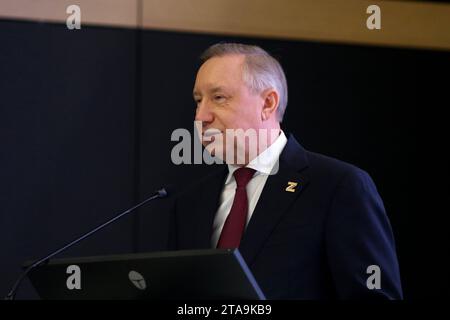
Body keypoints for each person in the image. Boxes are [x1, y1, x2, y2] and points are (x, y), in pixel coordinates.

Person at [168, 43, 403, 299]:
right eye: (198, 100)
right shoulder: (190, 203)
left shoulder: (339, 187)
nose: (201, 117)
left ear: (268, 103)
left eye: (218, 98)